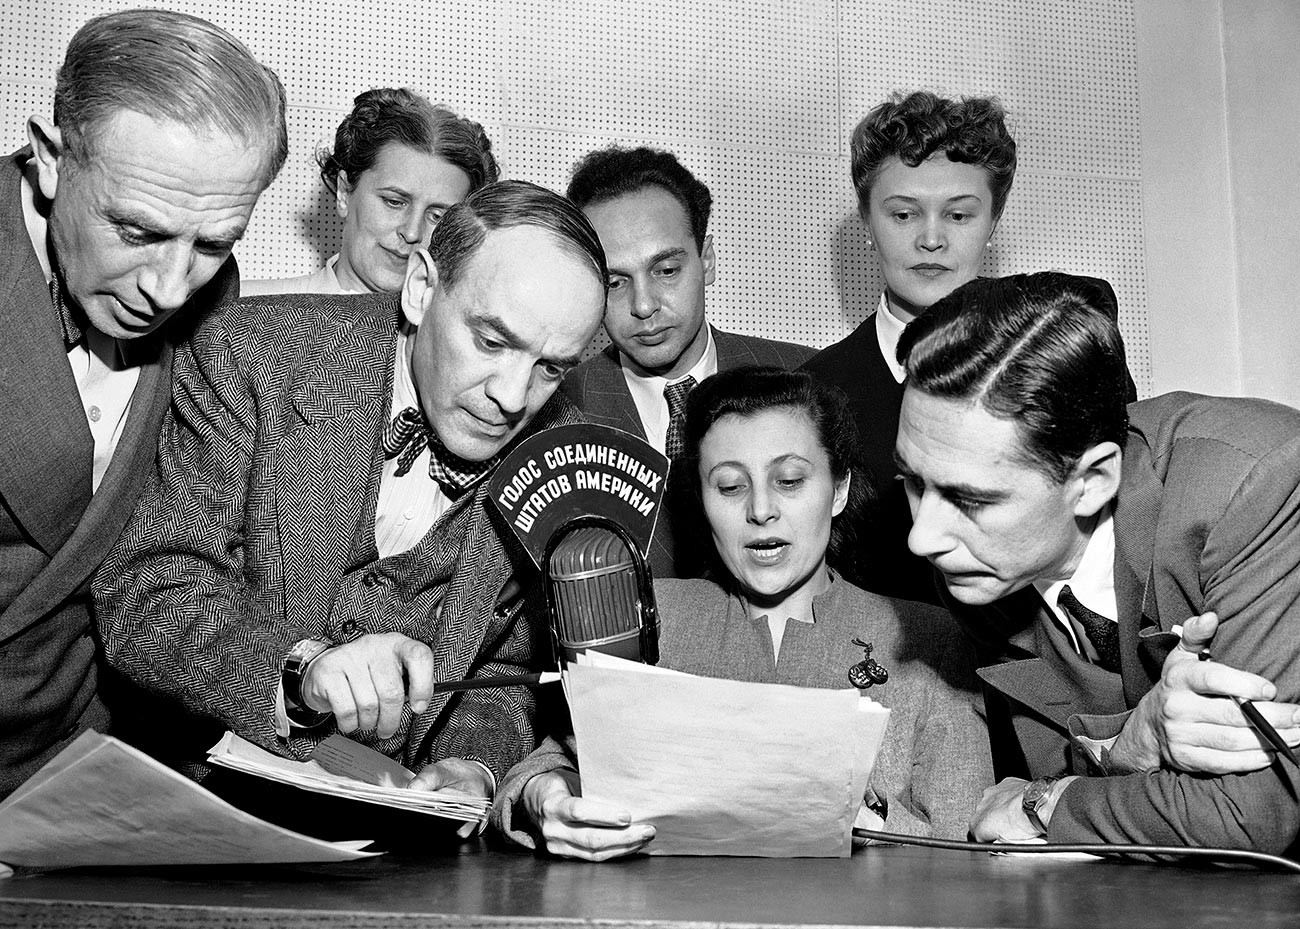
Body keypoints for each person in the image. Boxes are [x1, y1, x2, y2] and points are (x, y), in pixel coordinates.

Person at [95, 181, 608, 810]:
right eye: (492, 341)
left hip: (400, 854)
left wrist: (471, 765)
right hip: (193, 809)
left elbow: (503, 674)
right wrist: (299, 672)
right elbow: (148, 592)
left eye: (551, 366)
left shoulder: (564, 452)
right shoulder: (248, 356)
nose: (511, 395)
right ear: (421, 289)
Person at [493, 367, 992, 859]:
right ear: (702, 501)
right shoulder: (651, 614)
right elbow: (556, 760)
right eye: (730, 486)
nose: (760, 510)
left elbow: (969, 846)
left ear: (838, 489)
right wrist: (547, 796)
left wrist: (863, 813)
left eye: (790, 480)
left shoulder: (930, 639)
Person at [893, 271, 1300, 854]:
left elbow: (1252, 820)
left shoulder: (1255, 481)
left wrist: (1043, 805)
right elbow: (1073, 778)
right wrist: (1130, 744)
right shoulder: (979, 563)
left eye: (970, 499)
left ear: (1093, 480)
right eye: (912, 482)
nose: (922, 538)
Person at [0, 9, 286, 801]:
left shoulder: (208, 296)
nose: (168, 287)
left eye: (213, 243)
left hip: (74, 779)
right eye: (135, 229)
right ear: (53, 159)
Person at [559, 146, 814, 579]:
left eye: (666, 270)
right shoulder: (557, 413)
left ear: (707, 260)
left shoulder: (807, 379)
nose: (642, 305)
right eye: (614, 281)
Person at [802, 91, 1017, 604]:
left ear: (993, 225)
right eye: (903, 215)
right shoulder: (812, 393)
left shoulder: (1056, 369)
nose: (931, 239)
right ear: (867, 224)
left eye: (959, 216)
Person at [244, 88, 498, 296]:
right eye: (394, 202)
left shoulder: (470, 351)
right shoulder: (241, 316)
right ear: (344, 191)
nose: (411, 232)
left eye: (438, 216)